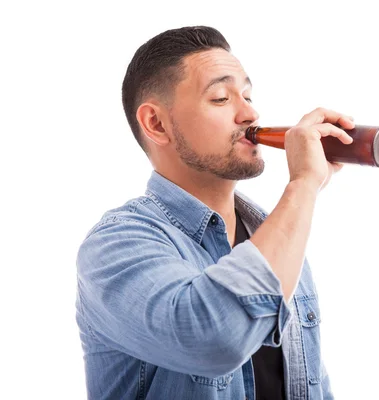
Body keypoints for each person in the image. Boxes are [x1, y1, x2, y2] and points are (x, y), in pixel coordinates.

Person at [76, 25, 355, 400]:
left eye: (248, 95)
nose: (250, 113)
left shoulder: (274, 237)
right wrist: (304, 184)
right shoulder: (116, 245)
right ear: (156, 124)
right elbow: (213, 338)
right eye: (221, 98)